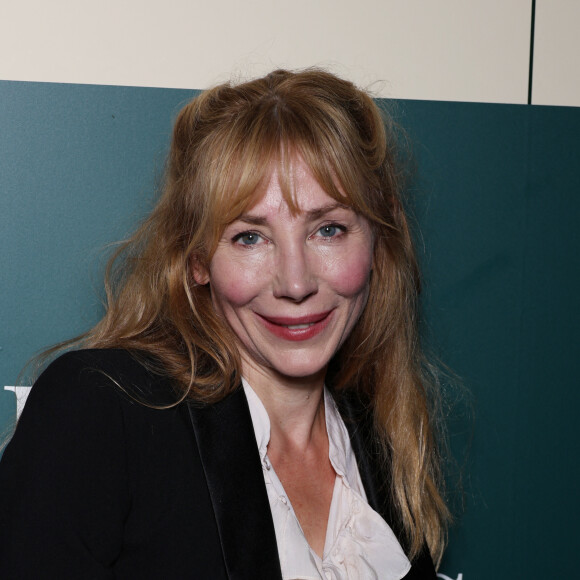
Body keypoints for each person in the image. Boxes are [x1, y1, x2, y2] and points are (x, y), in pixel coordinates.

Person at [0, 69, 449, 578]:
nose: (295, 283)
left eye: (329, 229)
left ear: (377, 240)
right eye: (249, 238)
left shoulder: (384, 443)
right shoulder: (104, 412)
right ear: (196, 258)